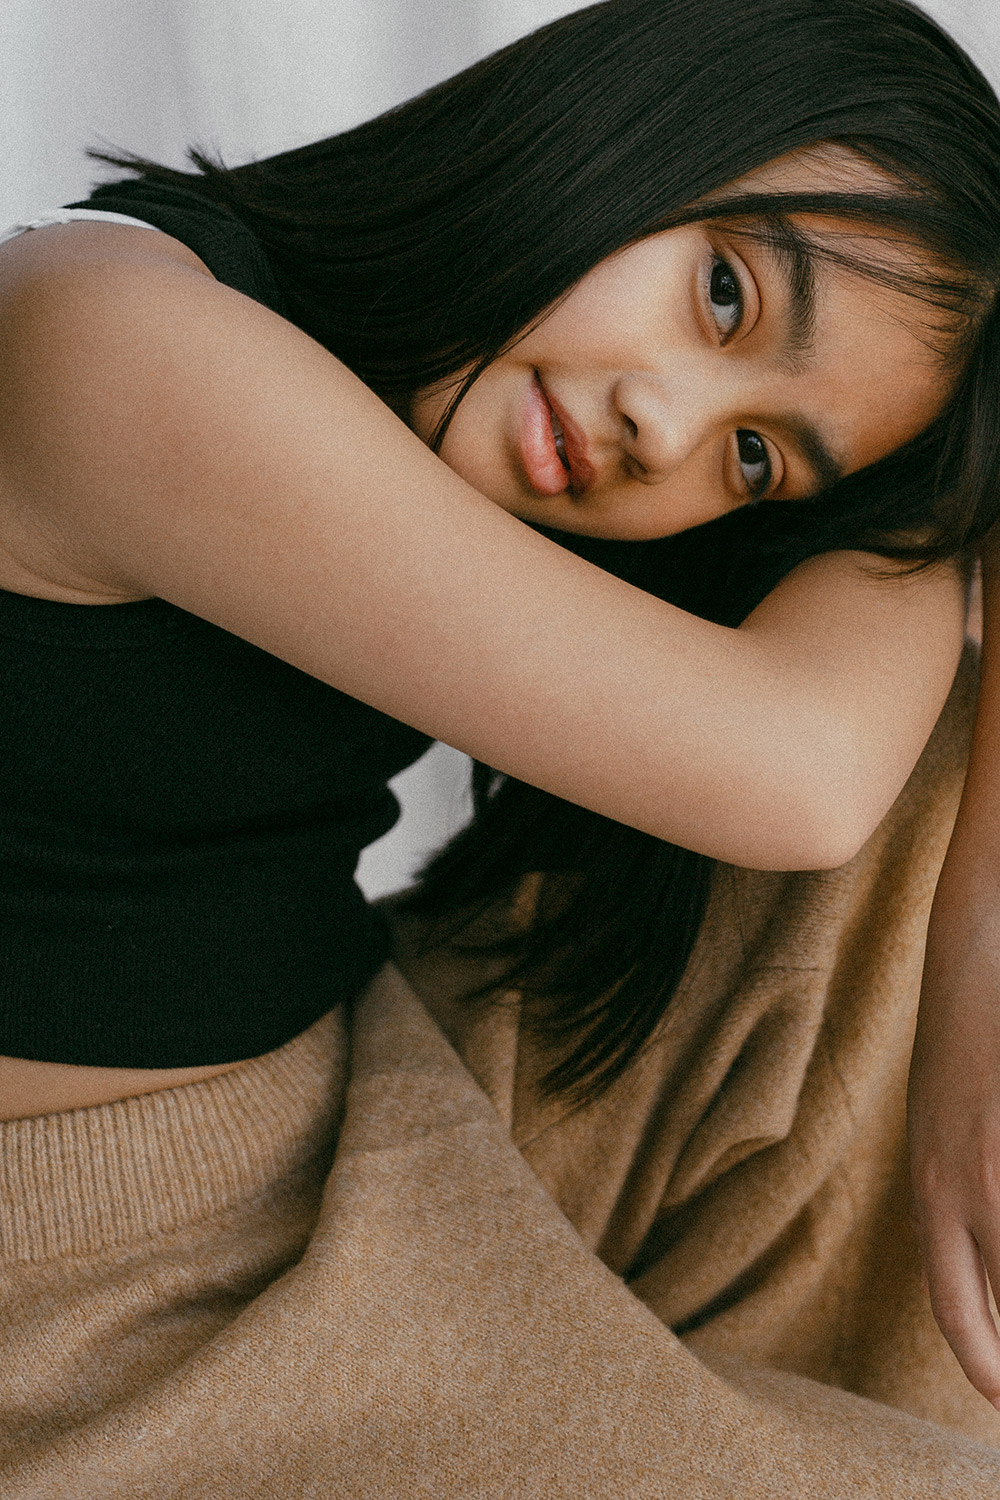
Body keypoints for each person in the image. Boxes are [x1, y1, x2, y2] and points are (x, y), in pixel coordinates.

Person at [1, 0, 1000, 1490]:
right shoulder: (104, 340)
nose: (668, 431)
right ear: (626, 122)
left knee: (943, 731)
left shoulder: (466, 439)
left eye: (757, 460)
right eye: (725, 295)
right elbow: (795, 772)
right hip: (95, 1311)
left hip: (372, 1095)